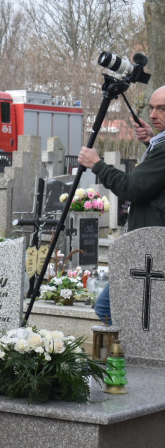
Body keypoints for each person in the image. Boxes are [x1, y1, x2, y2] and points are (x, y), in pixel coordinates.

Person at [78, 86, 165, 325]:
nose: (153, 115)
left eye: (162, 109)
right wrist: (151, 141)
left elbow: (132, 189)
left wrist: (97, 164)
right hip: (148, 244)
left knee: (108, 307)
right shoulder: (161, 144)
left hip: (151, 247)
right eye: (152, 108)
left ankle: (129, 359)